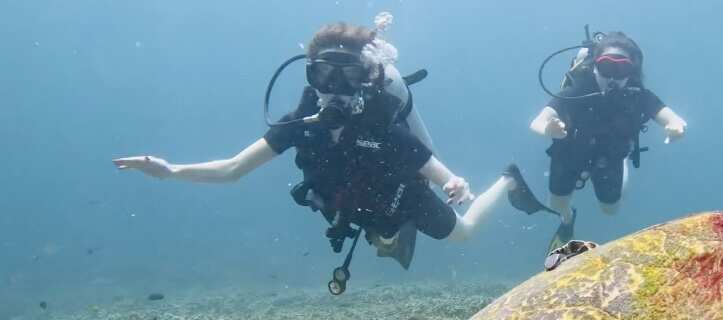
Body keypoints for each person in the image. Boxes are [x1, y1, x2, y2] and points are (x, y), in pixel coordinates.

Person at [114, 17, 514, 291]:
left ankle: (508, 179)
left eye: (350, 77)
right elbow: (233, 169)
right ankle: (386, 235)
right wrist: (170, 170)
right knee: (379, 233)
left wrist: (456, 184)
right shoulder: (300, 123)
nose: (335, 88)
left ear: (367, 79)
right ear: (310, 75)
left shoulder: (382, 128)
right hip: (356, 202)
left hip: (400, 193)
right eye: (324, 75)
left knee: (464, 233)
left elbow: (438, 171)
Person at [507, 31, 688, 251]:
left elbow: (673, 118)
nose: (612, 76)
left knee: (610, 210)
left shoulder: (638, 95)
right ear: (594, 66)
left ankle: (623, 164)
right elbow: (537, 122)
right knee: (557, 205)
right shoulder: (576, 91)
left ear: (631, 71)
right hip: (569, 155)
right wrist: (548, 128)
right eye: (606, 67)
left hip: (611, 157)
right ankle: (567, 220)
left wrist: (676, 128)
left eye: (621, 69)